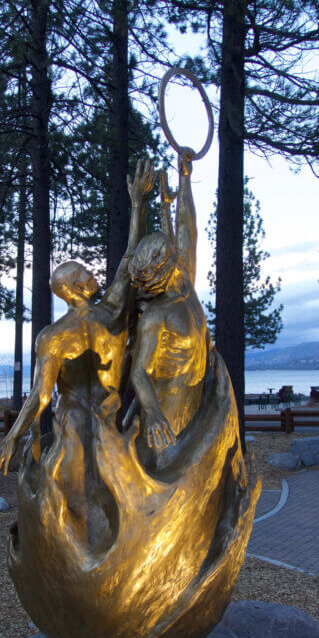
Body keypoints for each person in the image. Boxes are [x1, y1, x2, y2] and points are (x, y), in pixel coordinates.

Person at [0, 161, 155, 477]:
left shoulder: (53, 336)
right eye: (84, 271)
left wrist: (13, 437)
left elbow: (41, 396)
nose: (92, 273)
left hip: (75, 432)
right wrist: (138, 206)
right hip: (110, 425)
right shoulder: (111, 312)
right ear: (77, 286)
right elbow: (131, 257)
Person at [127, 153, 209, 452]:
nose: (176, 245)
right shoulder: (155, 316)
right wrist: (154, 413)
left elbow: (188, 228)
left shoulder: (184, 284)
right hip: (168, 411)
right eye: (169, 247)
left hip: (196, 403)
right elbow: (139, 372)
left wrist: (185, 176)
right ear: (164, 265)